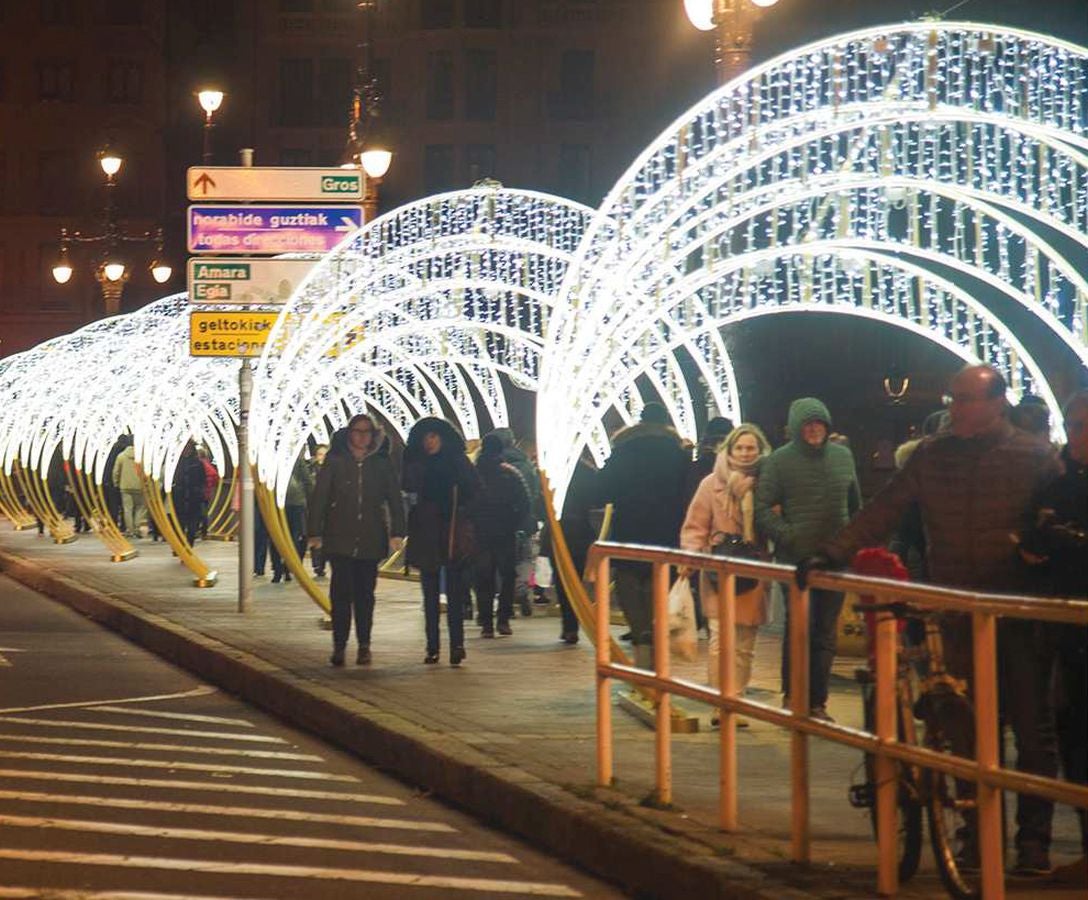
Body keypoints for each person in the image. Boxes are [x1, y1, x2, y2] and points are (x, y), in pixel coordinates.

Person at [803, 365, 1061, 876]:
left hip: (1018, 613)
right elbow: (885, 508)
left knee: (1032, 730)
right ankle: (974, 836)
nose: (956, 409)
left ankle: (1033, 842)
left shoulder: (1034, 457)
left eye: (967, 400)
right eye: (954, 398)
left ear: (998, 403)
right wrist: (833, 552)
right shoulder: (932, 455)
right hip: (956, 609)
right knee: (962, 728)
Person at [754, 397, 860, 722]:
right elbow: (762, 508)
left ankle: (817, 702)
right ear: (797, 428)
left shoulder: (843, 457)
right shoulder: (779, 462)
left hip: (834, 559)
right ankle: (793, 696)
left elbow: (855, 504)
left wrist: (850, 542)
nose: (814, 430)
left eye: (819, 424)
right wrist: (789, 536)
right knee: (799, 629)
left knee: (825, 633)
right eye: (808, 424)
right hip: (796, 559)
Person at [1020, 390, 1088, 885]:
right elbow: (1037, 534)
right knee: (1073, 734)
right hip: (1070, 628)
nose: (1078, 436)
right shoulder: (1059, 480)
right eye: (1074, 425)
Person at [681, 424, 772, 700]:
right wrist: (689, 556)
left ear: (760, 450)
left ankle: (737, 696)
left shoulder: (768, 483)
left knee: (744, 644)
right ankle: (722, 699)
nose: (745, 454)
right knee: (719, 641)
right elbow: (696, 525)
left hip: (753, 570)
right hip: (718, 569)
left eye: (750, 448)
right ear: (729, 449)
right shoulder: (711, 484)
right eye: (740, 448)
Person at [596, 402, 689, 670]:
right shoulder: (679, 455)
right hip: (666, 537)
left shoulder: (624, 450)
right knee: (659, 597)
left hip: (629, 534)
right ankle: (658, 666)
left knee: (630, 593)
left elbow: (602, 490)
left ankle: (642, 651)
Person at [307, 414, 405, 667]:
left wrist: (397, 532)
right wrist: (314, 531)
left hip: (371, 538)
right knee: (340, 595)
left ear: (374, 435)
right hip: (339, 537)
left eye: (367, 432)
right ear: (349, 433)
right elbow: (320, 496)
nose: (362, 436)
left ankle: (364, 645)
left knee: (365, 596)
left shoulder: (381, 462)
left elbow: (394, 497)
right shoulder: (336, 460)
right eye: (357, 431)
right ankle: (339, 646)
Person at [403, 417, 479, 666]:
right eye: (426, 438)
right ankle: (432, 646)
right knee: (430, 594)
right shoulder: (417, 465)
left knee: (456, 594)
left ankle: (457, 645)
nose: (429, 442)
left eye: (434, 436)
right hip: (427, 533)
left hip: (451, 533)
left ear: (443, 438)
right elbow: (407, 488)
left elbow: (475, 492)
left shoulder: (458, 464)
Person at [470, 433, 530, 638]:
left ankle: (486, 622)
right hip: (505, 532)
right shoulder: (511, 473)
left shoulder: (473, 473)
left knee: (483, 576)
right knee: (507, 575)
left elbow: (463, 502)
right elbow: (525, 502)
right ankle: (503, 619)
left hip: (480, 532)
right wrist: (516, 524)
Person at [543, 448, 599, 645]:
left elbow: (539, 502)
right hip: (581, 531)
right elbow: (598, 500)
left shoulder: (552, 472)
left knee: (562, 578)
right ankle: (573, 623)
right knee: (576, 576)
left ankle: (569, 626)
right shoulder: (589, 472)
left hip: (558, 530)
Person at [487, 428, 543, 618]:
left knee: (499, 562)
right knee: (525, 557)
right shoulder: (526, 465)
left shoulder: (488, 463)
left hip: (496, 521)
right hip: (524, 520)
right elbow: (533, 494)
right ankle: (521, 589)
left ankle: (502, 598)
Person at [273, 454, 314, 584]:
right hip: (296, 502)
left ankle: (277, 569)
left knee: (276, 536)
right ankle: (289, 566)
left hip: (276, 502)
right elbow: (308, 482)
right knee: (295, 536)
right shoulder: (298, 459)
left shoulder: (272, 459)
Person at [172, 442, 207, 547]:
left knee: (192, 523)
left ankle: (188, 544)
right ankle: (180, 545)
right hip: (181, 496)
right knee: (179, 522)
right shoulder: (178, 463)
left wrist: (199, 491)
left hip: (192, 497)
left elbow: (202, 479)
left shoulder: (196, 463)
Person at [111, 435, 145, 539]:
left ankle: (130, 530)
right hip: (139, 486)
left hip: (125, 486)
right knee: (139, 508)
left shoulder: (121, 456)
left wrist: (116, 483)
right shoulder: (142, 457)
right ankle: (137, 528)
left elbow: (116, 472)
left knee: (128, 509)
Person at [308, 444, 329, 578]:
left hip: (328, 508)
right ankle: (317, 564)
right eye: (320, 454)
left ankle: (322, 563)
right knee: (316, 535)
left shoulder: (331, 470)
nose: (323, 457)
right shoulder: (311, 470)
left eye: (325, 454)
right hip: (313, 507)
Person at [196, 447, 219, 540]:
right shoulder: (208, 464)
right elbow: (214, 476)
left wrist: (205, 484)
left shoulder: (201, 464)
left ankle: (200, 530)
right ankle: (203, 531)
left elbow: (212, 475)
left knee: (199, 512)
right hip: (206, 491)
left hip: (201, 491)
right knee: (203, 511)